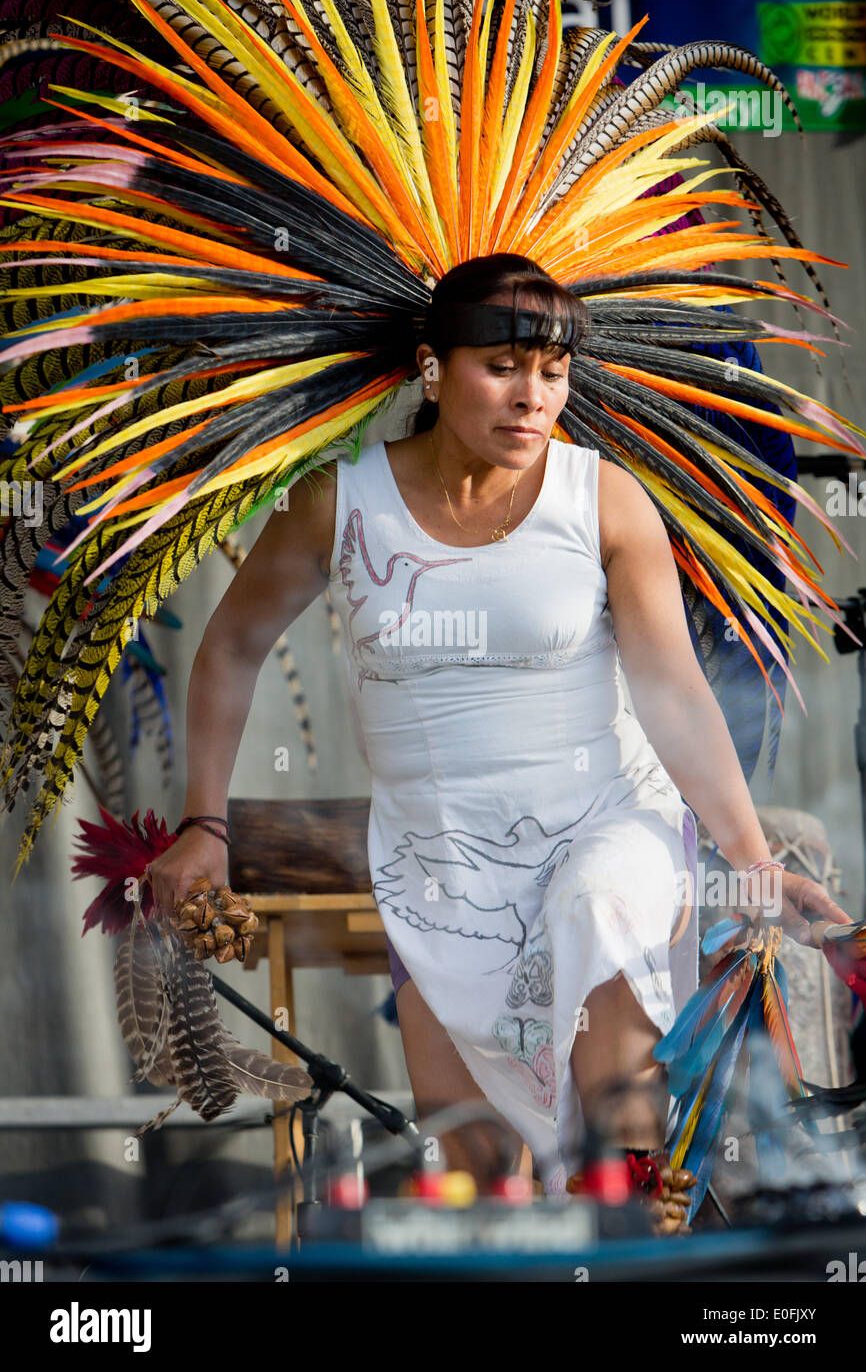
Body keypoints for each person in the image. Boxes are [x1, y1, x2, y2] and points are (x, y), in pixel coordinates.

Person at [146, 253, 851, 1198]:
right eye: (504, 368)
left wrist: (751, 857)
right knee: (471, 1166)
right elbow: (231, 647)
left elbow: (674, 693)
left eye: (553, 374)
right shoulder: (338, 501)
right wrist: (205, 825)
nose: (534, 398)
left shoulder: (603, 499)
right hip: (437, 863)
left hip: (607, 822)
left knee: (615, 1118)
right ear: (434, 369)